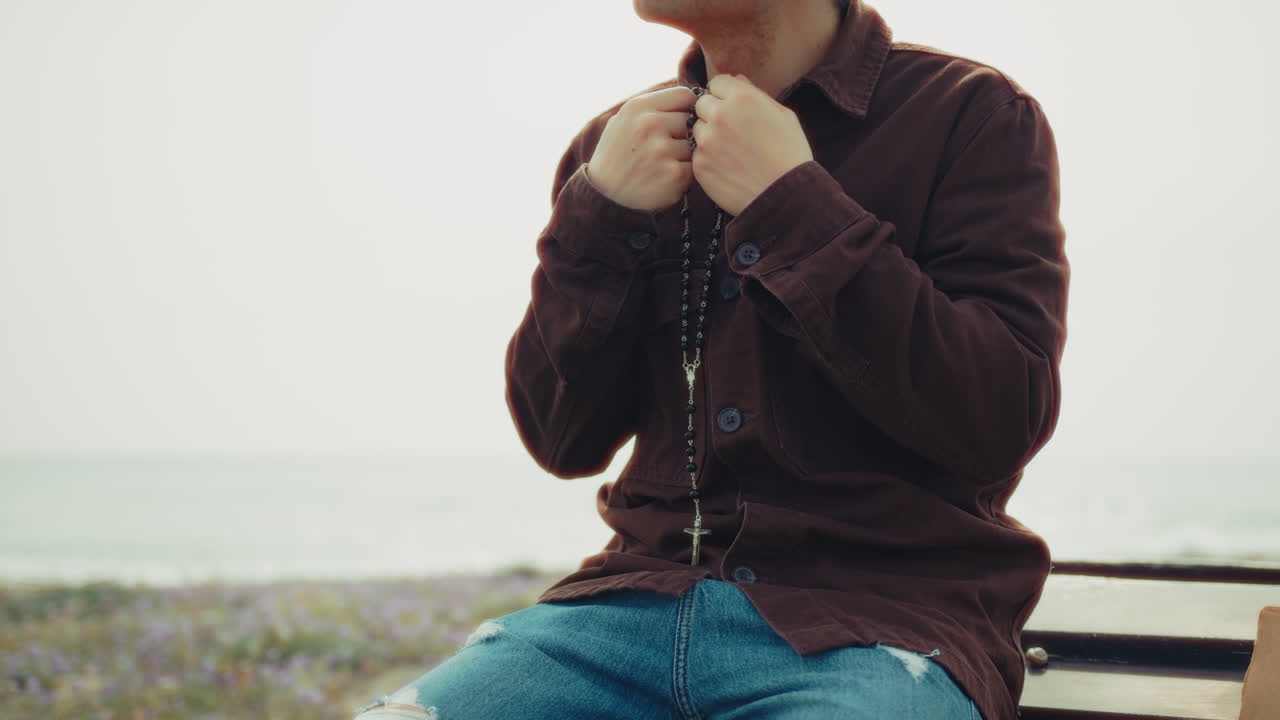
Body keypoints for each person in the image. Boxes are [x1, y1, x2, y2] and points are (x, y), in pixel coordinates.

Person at [354, 0, 1067, 717]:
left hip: (877, 633)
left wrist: (792, 203)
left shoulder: (971, 115)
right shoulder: (616, 148)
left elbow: (1002, 418)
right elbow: (558, 437)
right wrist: (601, 217)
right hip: (618, 621)